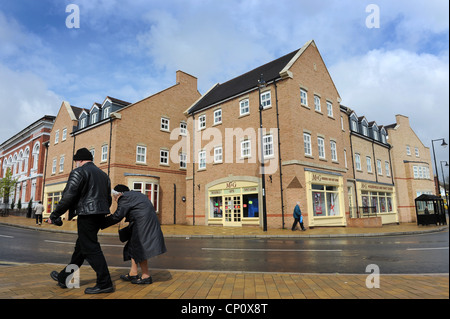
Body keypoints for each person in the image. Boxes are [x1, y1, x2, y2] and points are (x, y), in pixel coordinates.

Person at [46, 148, 114, 294]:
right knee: (81, 249)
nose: (76, 164)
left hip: (87, 214)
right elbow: (108, 199)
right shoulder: (103, 175)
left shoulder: (79, 172)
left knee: (90, 247)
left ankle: (105, 282)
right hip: (99, 213)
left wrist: (54, 215)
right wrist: (100, 212)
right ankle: (64, 277)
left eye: (76, 161)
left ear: (80, 160)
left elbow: (68, 196)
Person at [102, 184, 167, 285]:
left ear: (118, 194)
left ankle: (146, 276)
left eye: (114, 197)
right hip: (145, 222)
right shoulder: (135, 195)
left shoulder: (124, 198)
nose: (115, 200)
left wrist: (101, 223)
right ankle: (133, 273)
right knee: (132, 246)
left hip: (142, 225)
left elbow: (118, 216)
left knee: (140, 248)